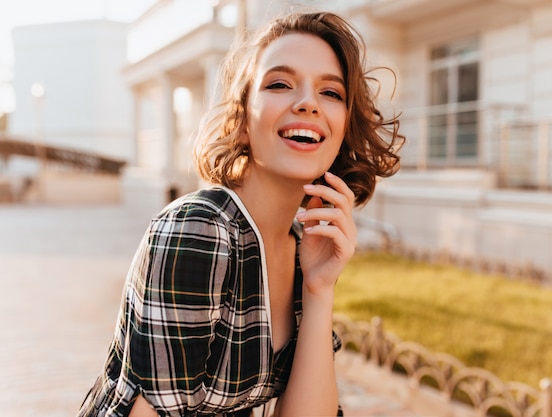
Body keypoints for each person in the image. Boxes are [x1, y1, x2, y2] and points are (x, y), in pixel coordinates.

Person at [78, 10, 403, 417]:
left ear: (342, 129)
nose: (307, 103)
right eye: (280, 84)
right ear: (242, 121)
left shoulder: (302, 249)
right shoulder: (198, 232)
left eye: (331, 93)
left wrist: (319, 290)